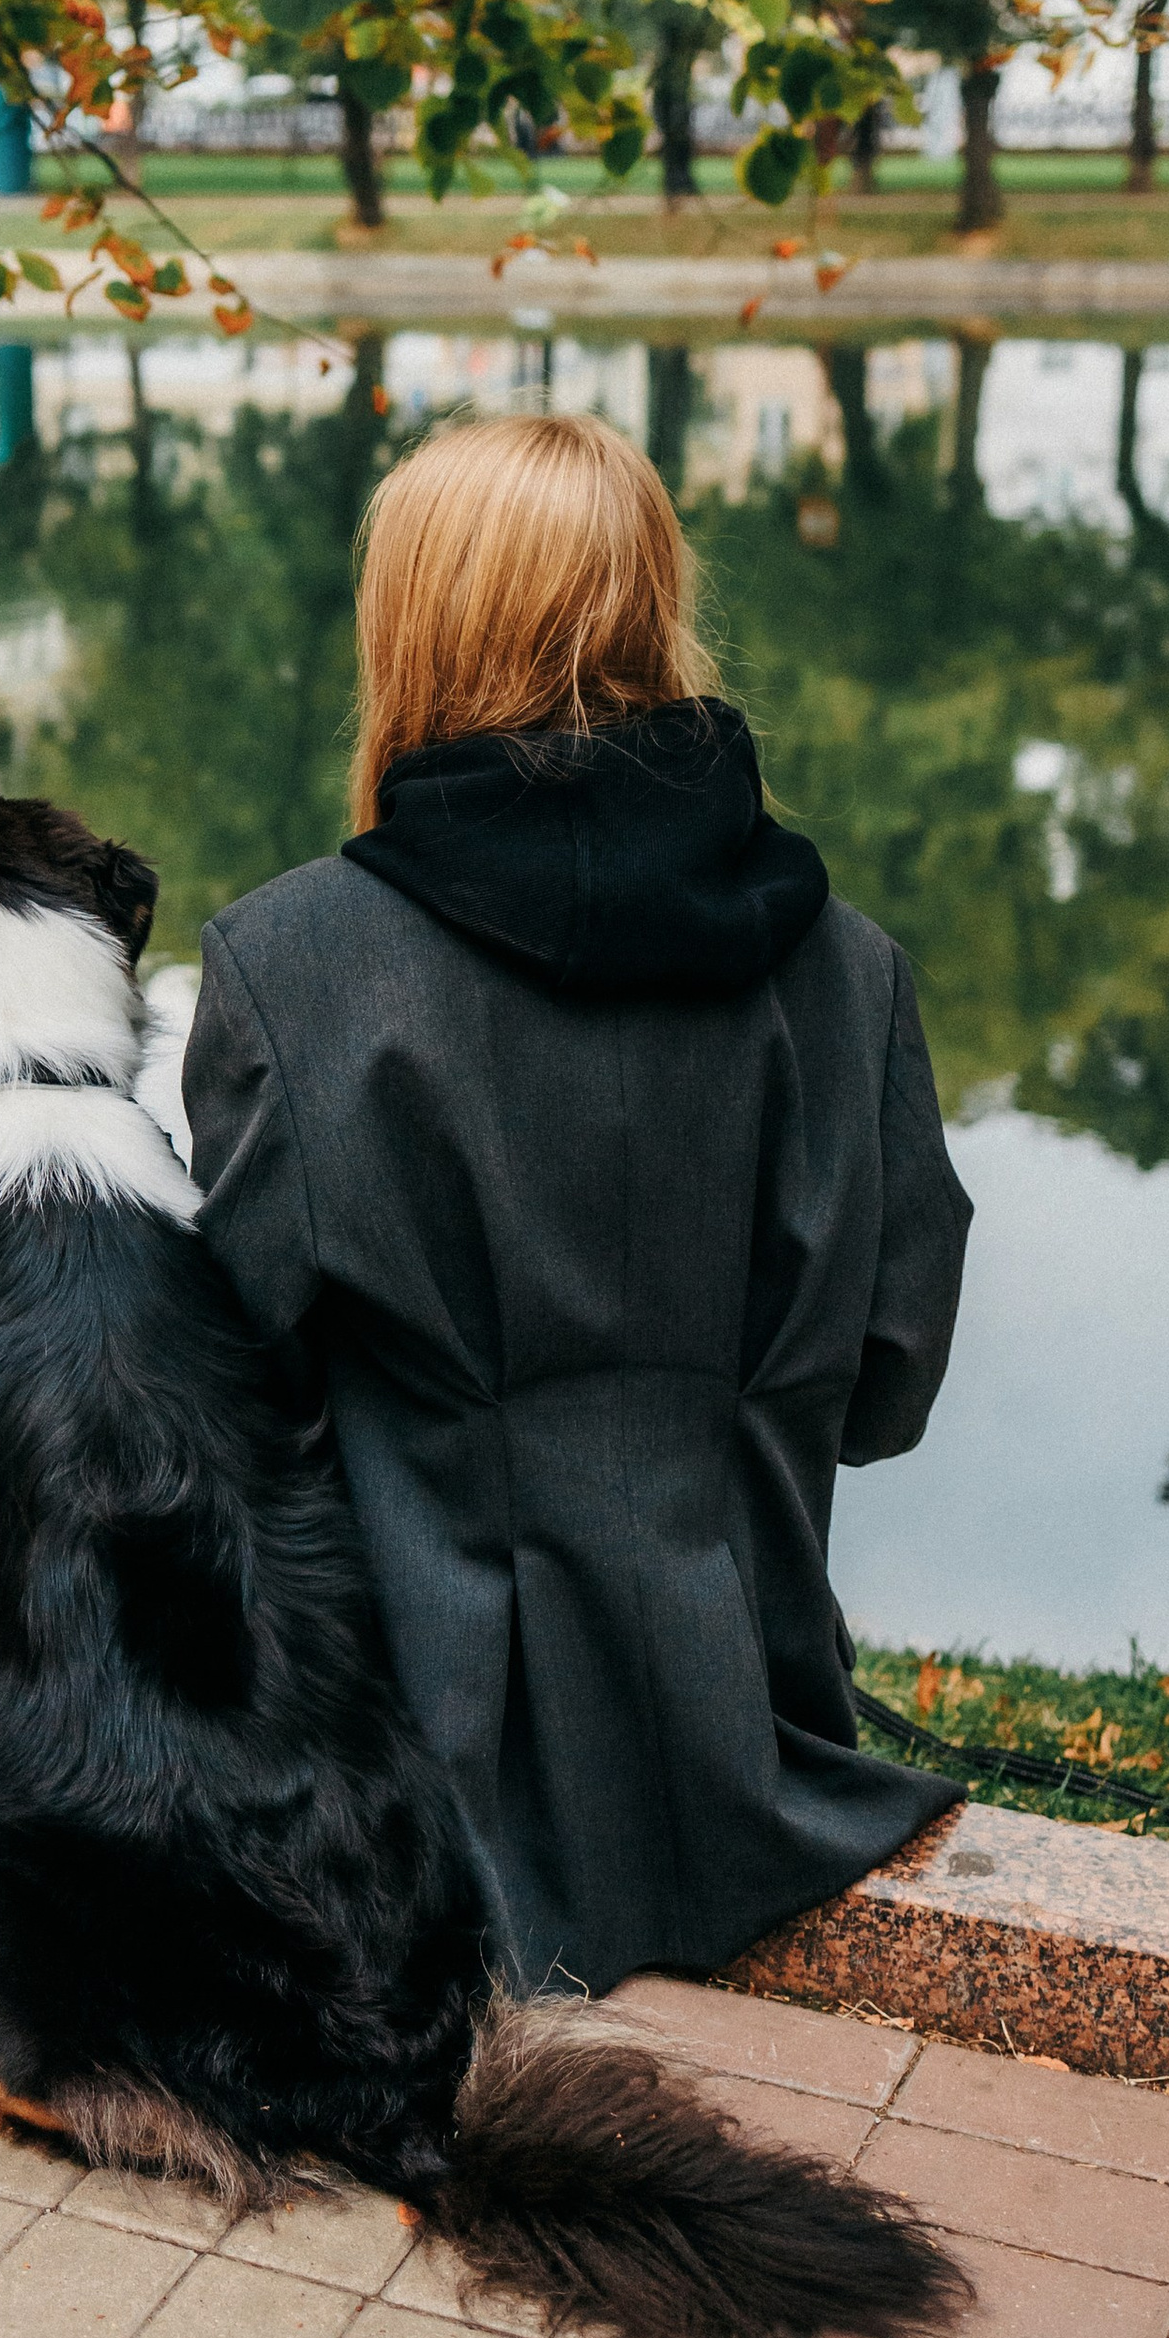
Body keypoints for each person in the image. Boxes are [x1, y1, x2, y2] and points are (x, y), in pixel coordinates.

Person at [181, 409, 968, 2000]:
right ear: (656, 609)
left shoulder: (293, 966)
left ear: (412, 626)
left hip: (419, 1765)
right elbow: (887, 1385)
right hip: (765, 1733)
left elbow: (235, 1416)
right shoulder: (850, 968)